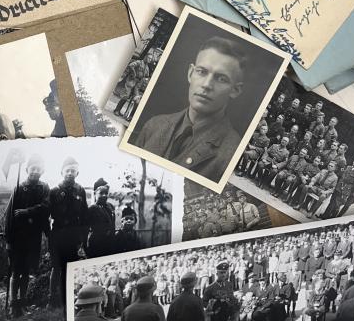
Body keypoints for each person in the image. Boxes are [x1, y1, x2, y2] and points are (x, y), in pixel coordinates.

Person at [131, 37, 245, 183]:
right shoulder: (154, 125)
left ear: (235, 90)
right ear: (191, 73)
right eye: (202, 72)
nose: (206, 85)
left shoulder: (232, 153)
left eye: (221, 79)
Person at [4, 153, 50, 318]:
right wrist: (9, 240)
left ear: (42, 171)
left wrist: (26, 212)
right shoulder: (19, 188)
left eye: (38, 169)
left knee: (26, 272)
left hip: (34, 238)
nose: (35, 171)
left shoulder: (44, 188)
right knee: (16, 272)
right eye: (33, 168)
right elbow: (9, 215)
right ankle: (12, 305)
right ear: (27, 169)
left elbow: (45, 207)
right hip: (18, 238)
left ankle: (22, 303)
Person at [49, 156, 88, 307]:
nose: (70, 173)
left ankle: (66, 297)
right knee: (56, 267)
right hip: (58, 234)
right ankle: (52, 299)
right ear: (62, 172)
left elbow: (84, 215)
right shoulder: (54, 191)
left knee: (70, 266)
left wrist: (82, 237)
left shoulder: (80, 190)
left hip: (73, 235)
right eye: (67, 170)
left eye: (73, 171)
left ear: (77, 173)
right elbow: (48, 214)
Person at [86, 178, 116, 258]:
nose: (104, 195)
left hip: (110, 242)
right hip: (96, 243)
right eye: (101, 193)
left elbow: (112, 224)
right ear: (95, 193)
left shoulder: (110, 206)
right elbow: (86, 228)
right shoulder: (92, 209)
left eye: (106, 193)